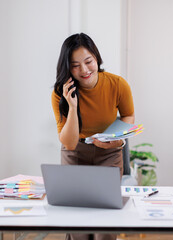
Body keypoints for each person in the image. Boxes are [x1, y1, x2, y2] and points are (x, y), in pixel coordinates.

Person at [51, 33, 135, 240]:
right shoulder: (60, 93)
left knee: (105, 221)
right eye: (75, 65)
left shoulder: (117, 84)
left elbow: (128, 115)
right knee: (77, 219)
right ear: (67, 68)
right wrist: (72, 106)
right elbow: (69, 143)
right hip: (75, 153)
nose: (85, 70)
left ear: (96, 58)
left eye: (88, 61)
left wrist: (119, 139)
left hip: (109, 152)